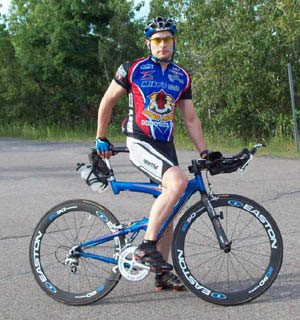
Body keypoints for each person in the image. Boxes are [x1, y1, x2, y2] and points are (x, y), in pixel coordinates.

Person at [95, 16, 209, 291]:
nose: (162, 45)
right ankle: (146, 247)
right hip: (140, 141)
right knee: (179, 183)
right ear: (149, 43)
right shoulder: (132, 69)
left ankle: (161, 275)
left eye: (167, 39)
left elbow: (191, 119)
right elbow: (108, 100)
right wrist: (101, 138)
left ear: (174, 42)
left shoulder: (181, 76)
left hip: (165, 146)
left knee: (170, 206)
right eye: (156, 40)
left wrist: (205, 152)